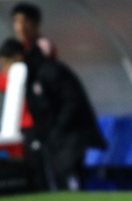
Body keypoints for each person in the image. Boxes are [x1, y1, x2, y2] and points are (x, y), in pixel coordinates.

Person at [0, 39, 106, 191]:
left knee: (70, 178)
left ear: (18, 58)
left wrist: (57, 129)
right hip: (56, 137)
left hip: (70, 135)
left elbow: (71, 101)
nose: (4, 69)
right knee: (58, 178)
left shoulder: (48, 72)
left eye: (6, 63)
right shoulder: (31, 76)